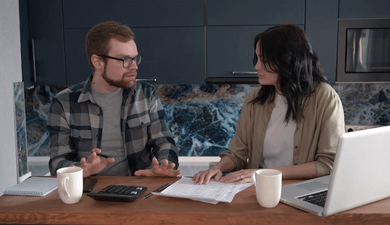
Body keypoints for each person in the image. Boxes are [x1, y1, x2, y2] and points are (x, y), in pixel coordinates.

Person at [193, 24, 345, 185]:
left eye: (264, 60)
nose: (257, 66)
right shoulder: (254, 100)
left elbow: (329, 164)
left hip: (301, 192)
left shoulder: (324, 97)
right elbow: (237, 154)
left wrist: (264, 174)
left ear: (288, 61)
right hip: (257, 190)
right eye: (257, 58)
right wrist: (217, 168)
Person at [48, 21, 181, 178]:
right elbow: (57, 161)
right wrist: (80, 170)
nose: (134, 66)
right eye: (124, 59)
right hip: (89, 193)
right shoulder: (64, 103)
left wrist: (164, 164)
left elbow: (163, 141)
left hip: (139, 188)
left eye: (135, 58)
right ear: (98, 62)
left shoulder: (146, 94)